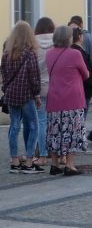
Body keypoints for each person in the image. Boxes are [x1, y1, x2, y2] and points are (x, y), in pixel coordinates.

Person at [45, 25, 90, 176]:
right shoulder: (75, 54)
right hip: (72, 99)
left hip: (54, 99)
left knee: (55, 132)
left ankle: (54, 164)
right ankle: (70, 165)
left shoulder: (49, 53)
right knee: (72, 132)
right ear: (68, 38)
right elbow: (86, 74)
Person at [2, 21, 43, 174]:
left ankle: (14, 161)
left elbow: (4, 75)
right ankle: (29, 162)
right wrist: (37, 95)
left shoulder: (7, 54)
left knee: (14, 127)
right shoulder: (30, 53)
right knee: (33, 126)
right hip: (26, 95)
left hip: (11, 95)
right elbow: (34, 77)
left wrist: (6, 89)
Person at [33, 17, 55, 166]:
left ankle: (42, 153)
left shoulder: (32, 44)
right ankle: (56, 153)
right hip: (55, 86)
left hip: (38, 87)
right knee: (53, 122)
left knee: (40, 121)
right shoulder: (57, 43)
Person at [70, 28, 92, 120]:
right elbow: (86, 73)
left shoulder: (69, 51)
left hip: (75, 88)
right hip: (84, 89)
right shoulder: (80, 52)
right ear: (79, 37)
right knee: (82, 117)